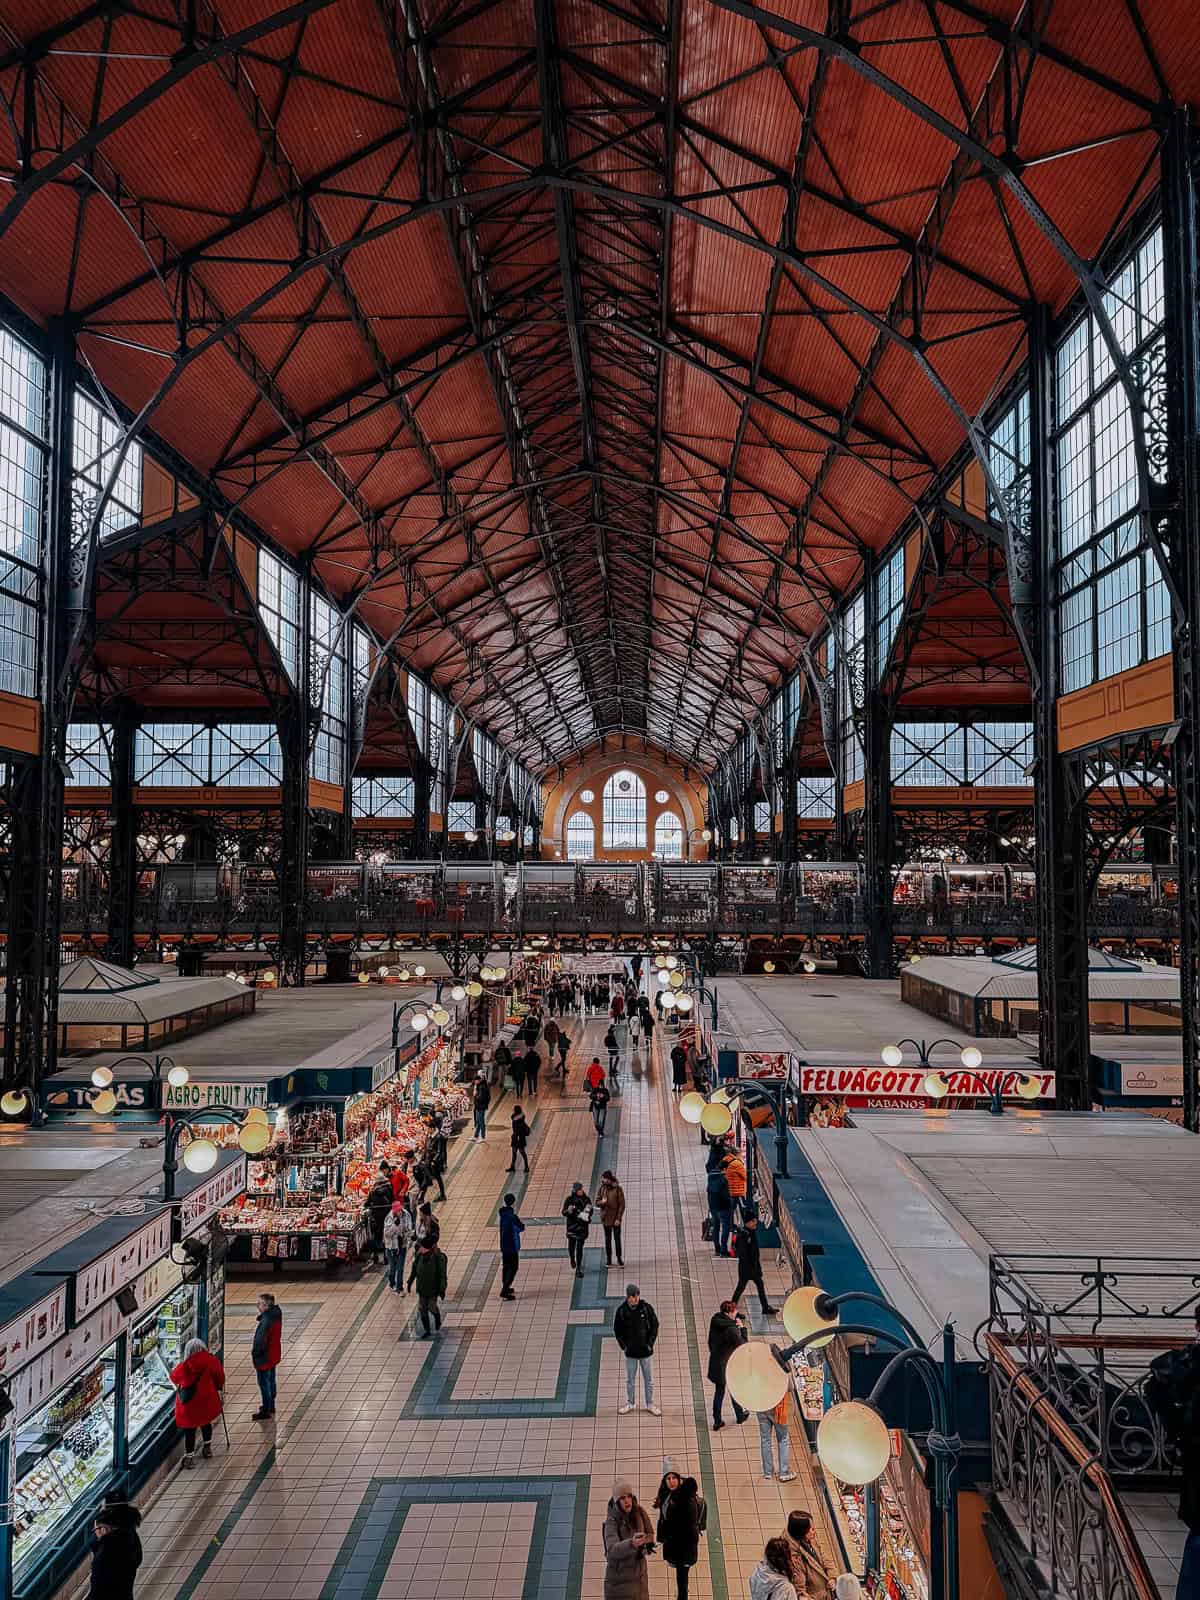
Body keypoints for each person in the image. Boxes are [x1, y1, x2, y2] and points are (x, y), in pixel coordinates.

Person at [171, 1337, 225, 1464]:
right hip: (206, 1399)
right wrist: (218, 1388)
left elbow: (174, 1377)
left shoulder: (184, 1366)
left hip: (190, 1404)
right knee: (206, 1423)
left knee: (190, 1430)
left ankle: (189, 1457)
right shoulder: (211, 1360)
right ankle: (207, 1448)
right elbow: (220, 1377)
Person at [653, 1472, 703, 1600]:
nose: (671, 1481)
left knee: (682, 1580)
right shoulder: (668, 1495)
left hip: (685, 1548)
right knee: (681, 1578)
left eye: (674, 1478)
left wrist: (667, 1535)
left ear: (679, 1478)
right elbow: (663, 1518)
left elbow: (686, 1527)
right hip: (676, 1545)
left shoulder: (687, 1499)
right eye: (668, 1478)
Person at [602, 1481, 654, 1600]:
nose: (627, 1501)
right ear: (617, 1502)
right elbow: (611, 1551)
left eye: (629, 1496)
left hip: (639, 1579)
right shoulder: (612, 1521)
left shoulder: (639, 1512)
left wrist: (647, 1545)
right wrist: (632, 1544)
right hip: (620, 1582)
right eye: (622, 1498)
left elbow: (650, 1533)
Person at [613, 1284, 660, 1415]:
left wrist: (650, 1343)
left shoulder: (646, 1308)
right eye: (633, 1296)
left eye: (637, 1295)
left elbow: (655, 1325)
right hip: (631, 1353)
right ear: (628, 1297)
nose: (635, 1298)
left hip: (645, 1352)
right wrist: (624, 1346)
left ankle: (650, 1403)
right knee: (630, 1380)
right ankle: (631, 1403)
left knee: (649, 1380)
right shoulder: (622, 1311)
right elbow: (617, 1329)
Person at [706, 1300, 749, 1428]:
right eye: (734, 1311)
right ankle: (740, 1416)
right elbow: (743, 1345)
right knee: (732, 1389)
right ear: (730, 1313)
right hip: (727, 1364)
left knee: (719, 1392)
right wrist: (742, 1328)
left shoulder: (715, 1319)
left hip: (715, 1361)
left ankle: (717, 1421)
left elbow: (710, 1341)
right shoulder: (731, 1330)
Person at [88, 1502, 142, 1600]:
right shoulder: (130, 1537)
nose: (95, 1533)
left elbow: (97, 1593)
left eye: (95, 1529)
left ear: (103, 1529)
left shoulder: (102, 1559)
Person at [732, 1215, 778, 1318]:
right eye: (753, 1222)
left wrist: (757, 1267)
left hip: (752, 1267)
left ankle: (765, 1308)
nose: (755, 1224)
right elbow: (743, 1253)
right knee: (740, 1288)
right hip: (747, 1268)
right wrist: (753, 1267)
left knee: (759, 1285)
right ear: (748, 1222)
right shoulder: (744, 1235)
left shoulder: (751, 1232)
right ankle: (731, 1311)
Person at [785, 1512, 837, 1598]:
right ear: (802, 1533)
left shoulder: (810, 1540)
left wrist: (832, 1576)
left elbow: (824, 1557)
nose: (814, 1531)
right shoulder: (795, 1559)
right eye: (811, 1529)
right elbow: (800, 1592)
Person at [251, 1292, 282, 1419]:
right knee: (271, 1380)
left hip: (265, 1357)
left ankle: (266, 1410)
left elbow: (260, 1341)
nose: (257, 1306)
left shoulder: (266, 1321)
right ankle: (271, 1405)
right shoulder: (276, 1314)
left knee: (264, 1383)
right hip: (274, 1353)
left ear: (265, 1305)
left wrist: (255, 1354)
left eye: (259, 1304)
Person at [411, 1237, 448, 1337]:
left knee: (432, 1307)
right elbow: (414, 1269)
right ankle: (427, 1330)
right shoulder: (419, 1256)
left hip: (432, 1290)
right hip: (422, 1289)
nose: (420, 1248)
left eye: (422, 1247)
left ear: (426, 1248)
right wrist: (410, 1282)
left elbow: (442, 1276)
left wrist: (442, 1290)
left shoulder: (438, 1258)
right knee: (422, 1309)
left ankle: (437, 1319)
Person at [758, 1392, 795, 1481]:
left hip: (761, 1405)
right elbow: (790, 1387)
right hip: (777, 1407)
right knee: (783, 1438)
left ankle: (768, 1472)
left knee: (765, 1439)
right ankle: (784, 1472)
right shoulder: (779, 1377)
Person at [562, 1181, 593, 1277]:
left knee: (580, 1248)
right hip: (572, 1227)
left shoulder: (586, 1199)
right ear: (575, 1191)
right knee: (572, 1246)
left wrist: (587, 1212)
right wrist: (569, 1211)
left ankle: (578, 1268)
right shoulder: (569, 1200)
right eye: (579, 1190)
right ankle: (572, 1258)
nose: (581, 1191)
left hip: (582, 1227)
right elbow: (563, 1212)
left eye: (581, 1189)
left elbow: (590, 1212)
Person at [383, 1201, 414, 1293]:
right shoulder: (389, 1218)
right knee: (393, 1269)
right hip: (391, 1247)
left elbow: (408, 1229)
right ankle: (392, 1282)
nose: (400, 1212)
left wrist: (411, 1235)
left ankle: (399, 1288)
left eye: (400, 1210)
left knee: (400, 1268)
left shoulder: (406, 1215)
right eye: (397, 1211)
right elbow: (387, 1234)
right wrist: (394, 1226)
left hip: (402, 1245)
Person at [498, 1192, 524, 1300]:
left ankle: (506, 1286)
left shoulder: (503, 1214)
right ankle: (504, 1290)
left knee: (506, 1266)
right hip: (512, 1246)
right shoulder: (512, 1217)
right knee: (513, 1267)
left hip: (504, 1245)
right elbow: (521, 1227)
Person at [367, 1165, 394, 1263]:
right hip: (387, 1214)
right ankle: (386, 1258)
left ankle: (375, 1256)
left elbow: (367, 1203)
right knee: (386, 1235)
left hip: (376, 1216)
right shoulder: (389, 1187)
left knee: (376, 1236)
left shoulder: (373, 1191)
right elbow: (392, 1199)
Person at [598, 1169, 626, 1266]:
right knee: (607, 1239)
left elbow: (622, 1205)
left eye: (604, 1179)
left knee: (617, 1239)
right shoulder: (602, 1188)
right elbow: (597, 1201)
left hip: (615, 1219)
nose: (603, 1180)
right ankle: (609, 1259)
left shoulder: (618, 1189)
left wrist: (618, 1218)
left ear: (609, 1179)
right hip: (606, 1218)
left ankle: (619, 1258)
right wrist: (602, 1203)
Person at [706, 1160, 734, 1258]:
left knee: (716, 1228)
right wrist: (731, 1201)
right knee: (725, 1228)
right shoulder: (723, 1180)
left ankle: (717, 1249)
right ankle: (723, 1250)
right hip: (723, 1207)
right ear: (724, 1169)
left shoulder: (711, 1176)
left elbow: (709, 1191)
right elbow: (726, 1195)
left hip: (713, 1207)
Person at [722, 1148, 748, 1221]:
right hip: (737, 1190)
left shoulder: (726, 1159)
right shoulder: (737, 1163)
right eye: (740, 1154)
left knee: (730, 1210)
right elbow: (745, 1176)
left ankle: (730, 1225)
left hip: (728, 1189)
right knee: (741, 1208)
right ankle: (733, 1225)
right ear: (737, 1154)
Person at [507, 1104, 531, 1171]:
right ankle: (512, 1166)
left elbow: (519, 1129)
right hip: (516, 1137)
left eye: (514, 1109)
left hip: (519, 1138)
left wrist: (516, 1135)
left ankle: (526, 1167)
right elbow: (512, 1118)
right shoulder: (515, 1117)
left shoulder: (520, 1121)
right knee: (514, 1153)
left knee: (522, 1152)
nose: (513, 1111)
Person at [590, 1072, 611, 1136]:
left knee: (601, 1120)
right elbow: (591, 1096)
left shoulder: (605, 1090)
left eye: (602, 1085)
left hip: (602, 1107)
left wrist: (603, 1096)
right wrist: (596, 1096)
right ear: (598, 1085)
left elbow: (608, 1098)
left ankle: (600, 1132)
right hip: (595, 1107)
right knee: (596, 1122)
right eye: (600, 1085)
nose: (601, 1086)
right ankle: (600, 1131)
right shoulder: (595, 1089)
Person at [472, 1071, 490, 1140]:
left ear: (478, 1080)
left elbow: (482, 1098)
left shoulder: (482, 1087)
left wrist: (476, 1095)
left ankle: (483, 1137)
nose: (475, 1082)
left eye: (475, 1081)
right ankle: (475, 1136)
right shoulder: (479, 1086)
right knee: (478, 1121)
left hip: (481, 1107)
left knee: (481, 1122)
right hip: (478, 1106)